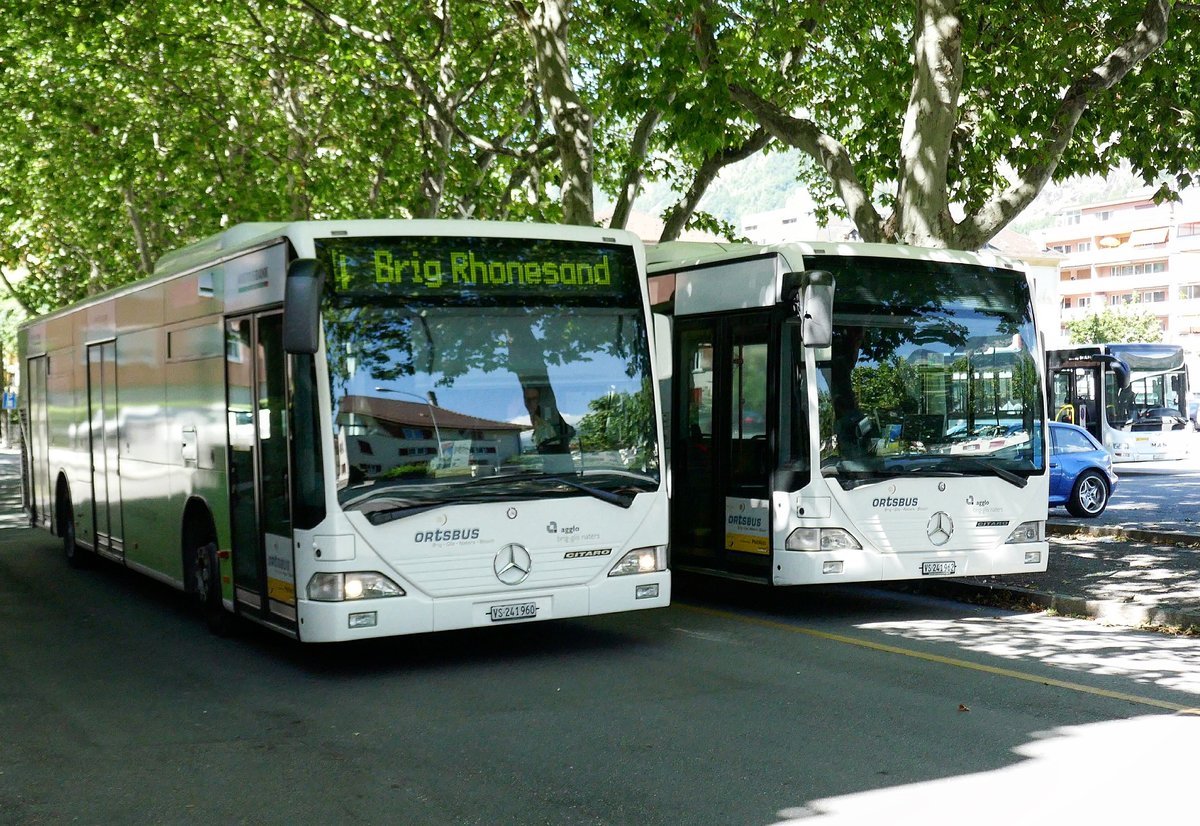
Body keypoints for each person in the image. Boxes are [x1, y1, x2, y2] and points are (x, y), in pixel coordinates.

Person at [523, 385, 575, 454]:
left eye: (534, 399)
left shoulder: (551, 421)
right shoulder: (532, 419)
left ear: (540, 400)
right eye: (528, 399)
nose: (530, 403)